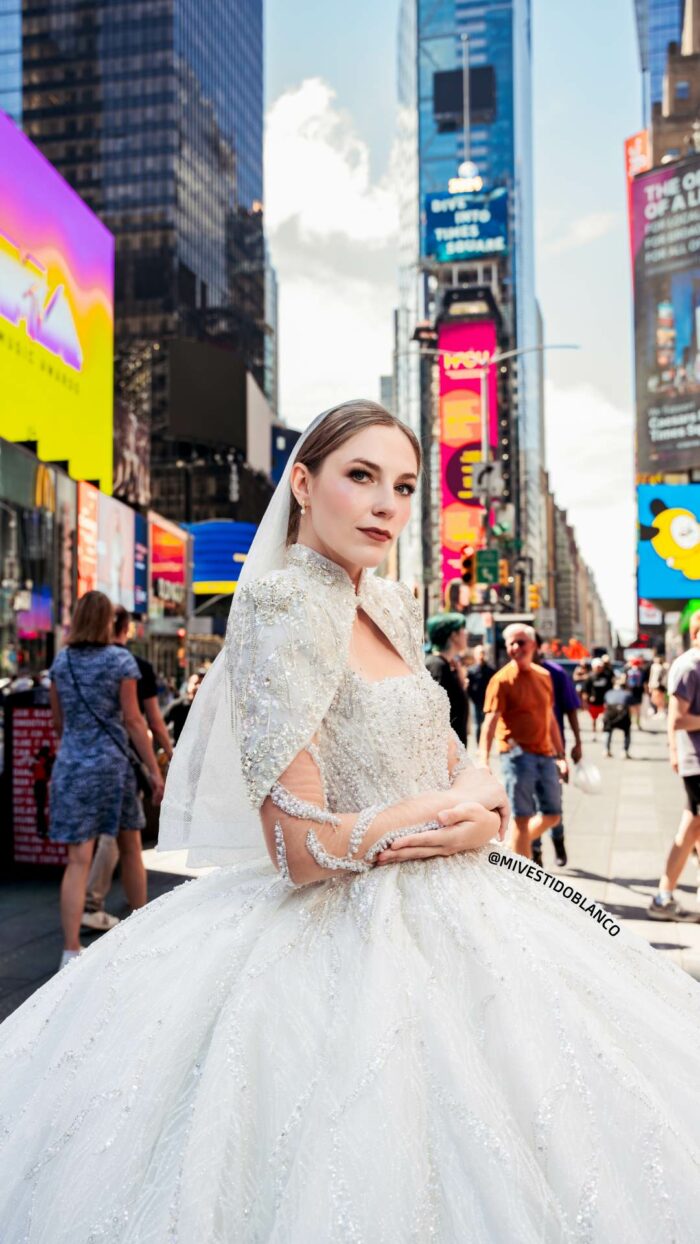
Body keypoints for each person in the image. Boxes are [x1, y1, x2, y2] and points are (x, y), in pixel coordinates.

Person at [1, 401, 700, 1242]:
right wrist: (451, 810)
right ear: (303, 483)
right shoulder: (275, 609)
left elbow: (461, 766)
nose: (386, 505)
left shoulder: (398, 604)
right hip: (332, 933)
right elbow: (299, 845)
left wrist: (476, 821)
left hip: (472, 904)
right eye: (360, 477)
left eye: (403, 486)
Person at [44, 591, 164, 970]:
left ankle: (70, 949)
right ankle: (141, 930)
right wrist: (155, 771)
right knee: (130, 846)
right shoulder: (120, 661)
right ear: (108, 622)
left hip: (72, 767)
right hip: (113, 768)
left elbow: (58, 723)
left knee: (78, 860)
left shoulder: (61, 663)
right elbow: (133, 721)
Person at [81, 605, 174, 933]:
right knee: (124, 837)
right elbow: (145, 720)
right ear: (125, 628)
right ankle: (106, 905)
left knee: (89, 842)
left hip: (78, 760)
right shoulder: (131, 664)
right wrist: (161, 760)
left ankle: (88, 905)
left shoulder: (73, 661)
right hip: (124, 758)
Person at [480, 624, 567, 860]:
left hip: (546, 755)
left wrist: (561, 755)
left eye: (521, 642)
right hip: (516, 757)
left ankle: (512, 850)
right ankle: (525, 879)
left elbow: (550, 719)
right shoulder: (501, 680)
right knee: (521, 819)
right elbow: (489, 723)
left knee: (553, 815)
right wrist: (483, 761)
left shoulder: (544, 676)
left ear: (534, 645)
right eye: (511, 644)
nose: (516, 648)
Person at [648, 610, 700, 922]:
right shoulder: (689, 666)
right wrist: (673, 751)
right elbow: (677, 717)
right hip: (697, 762)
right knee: (692, 825)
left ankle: (663, 896)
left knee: (693, 825)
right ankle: (662, 896)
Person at [531, 634, 582, 868]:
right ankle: (535, 853)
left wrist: (577, 743)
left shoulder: (556, 674)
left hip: (551, 750)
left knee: (552, 804)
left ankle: (558, 840)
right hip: (522, 754)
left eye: (526, 643)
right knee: (528, 808)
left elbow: (571, 709)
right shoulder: (510, 675)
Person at [424, 612, 470, 744]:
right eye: (462, 629)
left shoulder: (448, 665)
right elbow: (435, 713)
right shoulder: (437, 665)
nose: (466, 633)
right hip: (445, 754)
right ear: (453, 635)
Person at [163, 669, 205, 743]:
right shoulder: (177, 705)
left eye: (201, 683)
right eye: (195, 683)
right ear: (188, 684)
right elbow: (162, 724)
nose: (198, 687)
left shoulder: (209, 708)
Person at [466, 643, 495, 743]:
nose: (481, 655)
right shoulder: (471, 670)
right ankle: (479, 744)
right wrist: (472, 697)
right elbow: (468, 687)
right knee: (478, 725)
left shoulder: (490, 670)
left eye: (482, 653)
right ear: (475, 655)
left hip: (487, 701)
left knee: (487, 724)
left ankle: (486, 744)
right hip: (476, 701)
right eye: (479, 653)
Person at [602, 675, 633, 759]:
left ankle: (606, 750)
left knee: (608, 731)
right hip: (622, 715)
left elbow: (605, 705)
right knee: (627, 732)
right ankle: (625, 751)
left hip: (609, 714)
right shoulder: (627, 693)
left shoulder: (608, 693)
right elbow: (631, 706)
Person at [582, 657, 614, 736]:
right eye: (597, 667)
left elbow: (610, 687)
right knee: (594, 719)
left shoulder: (607, 675)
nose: (599, 668)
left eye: (601, 666)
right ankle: (594, 733)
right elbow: (585, 690)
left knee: (604, 717)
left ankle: (604, 731)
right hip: (593, 701)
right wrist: (585, 701)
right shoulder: (590, 677)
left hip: (604, 701)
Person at [625, 657, 646, 729]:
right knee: (638, 709)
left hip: (630, 691)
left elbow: (625, 681)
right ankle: (638, 724)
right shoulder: (642, 671)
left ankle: (629, 723)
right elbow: (644, 682)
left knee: (630, 709)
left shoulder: (628, 670)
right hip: (639, 692)